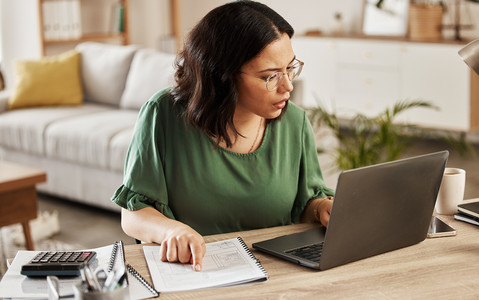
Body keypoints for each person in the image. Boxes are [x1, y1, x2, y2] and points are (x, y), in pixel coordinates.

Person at [111, 0, 334, 272]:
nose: (287, 85)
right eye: (270, 76)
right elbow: (132, 214)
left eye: (290, 68)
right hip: (196, 273)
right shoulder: (164, 115)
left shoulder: (295, 122)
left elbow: (305, 203)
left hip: (280, 275)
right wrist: (170, 231)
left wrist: (322, 207)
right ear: (221, 76)